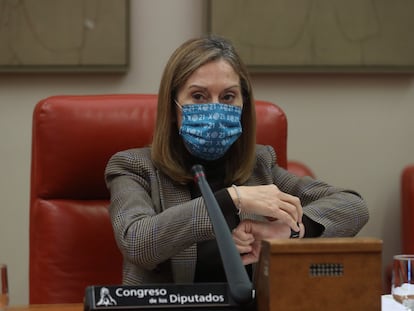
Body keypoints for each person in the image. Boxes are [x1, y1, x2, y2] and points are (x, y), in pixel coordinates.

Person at [105, 35, 369, 285]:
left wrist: (287, 232)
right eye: (198, 96)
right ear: (173, 108)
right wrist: (231, 199)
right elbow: (137, 242)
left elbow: (352, 207)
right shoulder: (133, 167)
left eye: (228, 96)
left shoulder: (260, 164)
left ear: (244, 104)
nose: (216, 108)